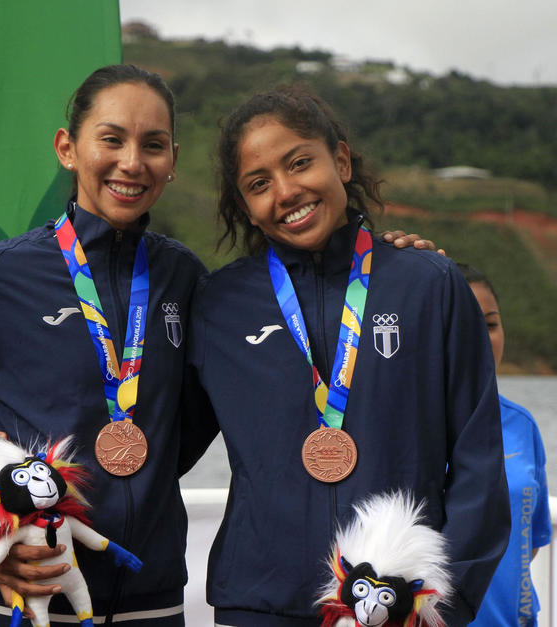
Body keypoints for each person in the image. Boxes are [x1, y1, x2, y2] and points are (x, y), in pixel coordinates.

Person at [0, 64, 434, 627]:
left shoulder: (186, 280)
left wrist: (385, 261)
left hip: (152, 600)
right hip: (21, 596)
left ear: (171, 162)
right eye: (111, 139)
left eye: (153, 145)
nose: (131, 162)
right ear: (68, 149)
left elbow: (194, 426)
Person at [181, 86, 510, 626]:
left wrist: (441, 604)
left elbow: (478, 462)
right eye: (258, 185)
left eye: (300, 163)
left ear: (340, 159)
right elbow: (159, 440)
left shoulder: (429, 285)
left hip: (397, 605)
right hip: (260, 603)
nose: (285, 192)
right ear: (246, 207)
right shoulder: (218, 305)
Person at [460, 263, 552, 627]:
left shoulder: (522, 425)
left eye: (491, 324)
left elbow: (531, 539)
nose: (483, 337)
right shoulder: (405, 425)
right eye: (466, 324)